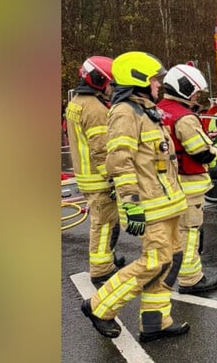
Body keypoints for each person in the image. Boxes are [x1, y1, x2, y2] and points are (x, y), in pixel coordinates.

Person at [80, 51, 190, 343]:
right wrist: (131, 204)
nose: (158, 84)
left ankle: (155, 321)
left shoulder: (147, 111)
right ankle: (99, 306)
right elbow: (120, 161)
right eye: (154, 80)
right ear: (138, 80)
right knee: (154, 262)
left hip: (168, 204)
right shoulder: (125, 113)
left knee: (170, 260)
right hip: (151, 207)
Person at [157, 64, 217, 295]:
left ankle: (170, 272)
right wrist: (216, 148)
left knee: (171, 232)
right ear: (183, 89)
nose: (196, 97)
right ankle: (191, 279)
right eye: (195, 93)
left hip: (166, 183)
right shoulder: (184, 117)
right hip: (188, 185)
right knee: (189, 231)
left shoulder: (158, 110)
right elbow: (201, 153)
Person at [64, 56, 125, 286]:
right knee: (104, 224)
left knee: (107, 221)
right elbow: (101, 150)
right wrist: (113, 178)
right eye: (111, 83)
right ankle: (101, 268)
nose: (113, 88)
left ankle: (107, 257)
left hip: (85, 175)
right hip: (98, 178)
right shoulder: (95, 110)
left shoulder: (76, 103)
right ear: (99, 81)